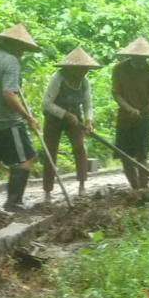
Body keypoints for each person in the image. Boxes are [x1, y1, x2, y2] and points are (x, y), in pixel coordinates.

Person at [0, 23, 40, 223]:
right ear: (14, 45)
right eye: (22, 48)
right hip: (8, 121)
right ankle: (13, 201)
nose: (22, 53)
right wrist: (28, 116)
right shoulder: (11, 61)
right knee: (27, 158)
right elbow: (8, 94)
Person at [41, 46, 98, 200]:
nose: (84, 72)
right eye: (81, 69)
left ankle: (82, 184)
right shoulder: (58, 78)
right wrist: (64, 114)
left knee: (79, 148)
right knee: (50, 151)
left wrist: (88, 120)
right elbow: (46, 103)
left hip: (74, 117)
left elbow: (88, 104)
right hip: (54, 117)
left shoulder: (84, 83)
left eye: (86, 70)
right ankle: (47, 190)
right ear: (73, 68)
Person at [111, 37, 149, 190]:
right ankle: (135, 188)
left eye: (144, 58)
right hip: (124, 117)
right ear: (132, 56)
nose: (142, 61)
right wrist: (129, 109)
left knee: (142, 155)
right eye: (139, 58)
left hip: (144, 117)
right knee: (125, 155)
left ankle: (144, 188)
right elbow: (116, 94)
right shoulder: (119, 69)